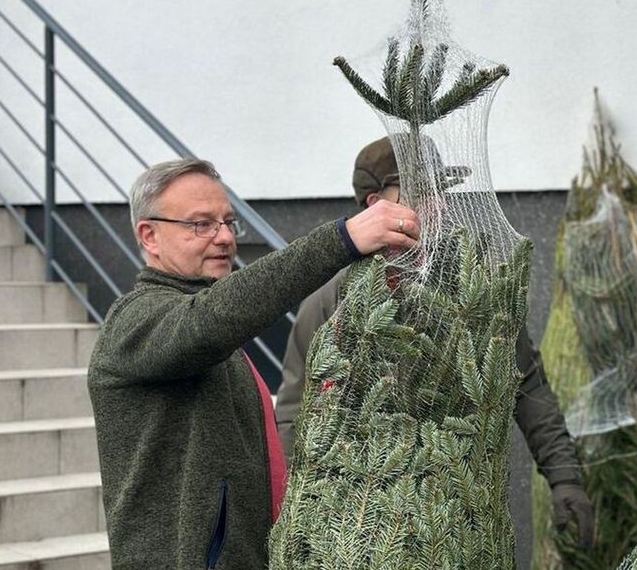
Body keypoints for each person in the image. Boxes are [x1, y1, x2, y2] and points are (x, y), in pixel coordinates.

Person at [88, 158, 420, 569]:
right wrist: (343, 239)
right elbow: (212, 320)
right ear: (149, 236)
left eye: (229, 222)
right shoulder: (135, 323)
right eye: (201, 224)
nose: (224, 237)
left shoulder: (210, 327)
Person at [275, 136, 596, 548]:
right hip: (360, 530)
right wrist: (296, 512)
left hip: (464, 520)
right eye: (422, 196)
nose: (440, 208)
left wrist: (564, 477)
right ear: (376, 205)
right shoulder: (333, 299)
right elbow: (294, 410)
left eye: (439, 194)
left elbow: (526, 382)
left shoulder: (474, 288)